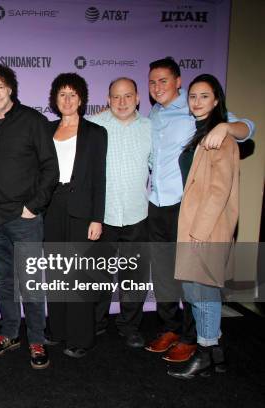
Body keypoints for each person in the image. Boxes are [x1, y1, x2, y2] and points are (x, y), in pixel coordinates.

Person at [145, 58, 255, 363]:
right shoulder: (153, 113)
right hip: (155, 203)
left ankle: (194, 339)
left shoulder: (200, 113)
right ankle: (171, 328)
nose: (157, 87)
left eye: (164, 80)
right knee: (165, 274)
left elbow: (247, 128)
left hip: (186, 207)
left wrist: (224, 126)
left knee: (193, 278)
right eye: (152, 82)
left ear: (179, 81)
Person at [0, 63, 59, 369]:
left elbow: (51, 168)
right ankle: (9, 332)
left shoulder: (33, 121)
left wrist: (33, 206)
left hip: (24, 220)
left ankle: (36, 337)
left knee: (32, 282)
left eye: (0, 87)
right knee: (3, 282)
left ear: (10, 88)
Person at [168, 74, 244, 379]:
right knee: (198, 292)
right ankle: (216, 353)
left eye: (204, 96)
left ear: (216, 100)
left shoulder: (219, 136)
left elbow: (218, 191)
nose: (197, 102)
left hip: (205, 229)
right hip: (195, 225)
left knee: (202, 295)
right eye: (193, 96)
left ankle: (205, 354)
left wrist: (198, 232)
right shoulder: (202, 133)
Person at [43, 73, 107, 358]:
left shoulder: (95, 133)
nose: (67, 100)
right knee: (56, 270)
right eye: (61, 95)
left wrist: (97, 218)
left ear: (81, 98)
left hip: (82, 208)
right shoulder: (45, 130)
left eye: (72, 94)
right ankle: (57, 329)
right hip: (51, 205)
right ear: (55, 100)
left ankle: (81, 337)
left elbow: (99, 178)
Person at [90, 77, 151, 348]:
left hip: (138, 215)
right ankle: (95, 322)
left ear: (137, 98)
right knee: (98, 276)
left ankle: (129, 326)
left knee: (134, 279)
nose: (122, 102)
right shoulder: (96, 126)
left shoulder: (151, 128)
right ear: (108, 99)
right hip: (104, 216)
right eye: (116, 97)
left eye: (128, 96)